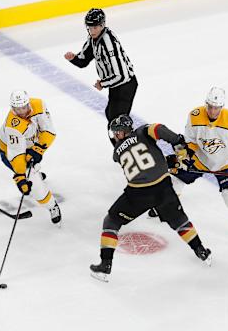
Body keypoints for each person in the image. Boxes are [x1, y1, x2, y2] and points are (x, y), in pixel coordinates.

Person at [90, 114, 212, 282]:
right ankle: (201, 251)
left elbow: (141, 162)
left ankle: (105, 265)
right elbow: (158, 130)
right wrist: (178, 143)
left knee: (111, 222)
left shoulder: (116, 153)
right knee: (180, 221)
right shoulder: (143, 132)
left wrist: (168, 160)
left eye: (117, 132)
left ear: (123, 131)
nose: (115, 135)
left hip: (138, 194)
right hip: (163, 188)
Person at [152, 87, 228, 251]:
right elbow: (189, 141)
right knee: (176, 179)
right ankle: (166, 208)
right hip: (200, 159)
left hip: (225, 164)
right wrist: (187, 155)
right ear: (206, 103)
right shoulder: (195, 115)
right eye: (210, 106)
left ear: (222, 106)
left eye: (216, 107)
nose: (212, 110)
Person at [64, 8, 137, 143]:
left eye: (95, 27)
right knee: (111, 115)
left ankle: (130, 150)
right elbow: (83, 60)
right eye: (89, 28)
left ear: (102, 25)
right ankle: (126, 150)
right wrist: (73, 58)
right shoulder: (93, 39)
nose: (92, 31)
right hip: (115, 85)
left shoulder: (109, 43)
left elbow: (121, 75)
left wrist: (103, 84)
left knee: (117, 123)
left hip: (126, 85)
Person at [0, 90, 61, 225]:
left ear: (28, 103)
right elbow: (16, 153)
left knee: (33, 168)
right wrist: (20, 176)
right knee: (34, 187)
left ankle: (35, 172)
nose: (22, 111)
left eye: (24, 107)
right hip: (11, 153)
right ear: (12, 108)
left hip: (31, 143)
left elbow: (49, 131)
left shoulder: (38, 104)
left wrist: (37, 150)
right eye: (17, 108)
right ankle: (52, 205)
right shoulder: (12, 126)